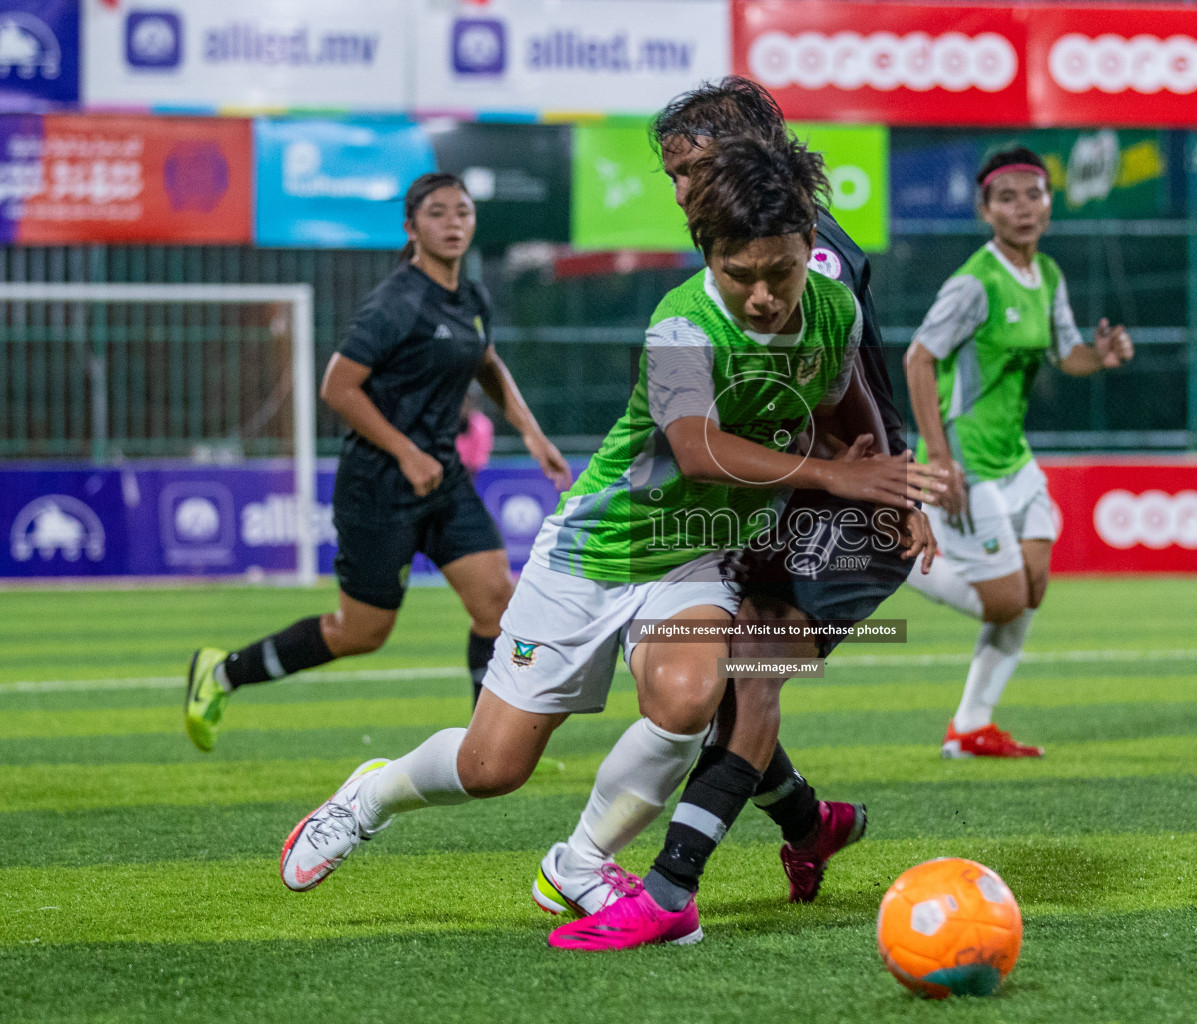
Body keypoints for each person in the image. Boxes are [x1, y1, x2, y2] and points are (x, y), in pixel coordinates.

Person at [275, 139, 939, 954]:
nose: (763, 295)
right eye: (741, 274)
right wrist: (838, 481)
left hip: (698, 556)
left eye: (782, 271)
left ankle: (579, 861)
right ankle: (371, 796)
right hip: (598, 551)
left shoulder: (835, 311)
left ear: (812, 247)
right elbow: (698, 450)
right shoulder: (680, 325)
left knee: (691, 698)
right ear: (709, 255)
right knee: (494, 769)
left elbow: (844, 406)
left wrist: (890, 476)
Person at [535, 79, 940, 948]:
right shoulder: (742, 254)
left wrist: (886, 484)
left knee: (748, 664)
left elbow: (847, 406)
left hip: (843, 496)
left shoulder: (797, 255)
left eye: (691, 168)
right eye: (675, 173)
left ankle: (669, 889)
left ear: (751, 154)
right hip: (792, 494)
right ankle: (807, 823)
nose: (680, 190)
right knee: (713, 683)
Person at [183, 172, 571, 749]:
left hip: (442, 477)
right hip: (380, 485)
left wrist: (531, 431)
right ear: (411, 227)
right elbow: (338, 388)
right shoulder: (397, 302)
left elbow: (485, 360)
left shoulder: (471, 295)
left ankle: (483, 744)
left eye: (462, 212)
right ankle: (221, 672)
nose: (453, 223)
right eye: (437, 213)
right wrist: (406, 451)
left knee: (497, 606)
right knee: (360, 633)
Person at [904, 146, 1134, 758]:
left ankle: (971, 728)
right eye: (1006, 198)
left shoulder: (1049, 275)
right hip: (966, 459)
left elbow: (1068, 353)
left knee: (1032, 590)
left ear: (1049, 205)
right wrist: (937, 460)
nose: (1023, 208)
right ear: (986, 210)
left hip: (1013, 458)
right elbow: (918, 358)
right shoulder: (973, 284)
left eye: (1033, 194)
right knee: (1003, 600)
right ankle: (891, 560)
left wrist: (1101, 356)